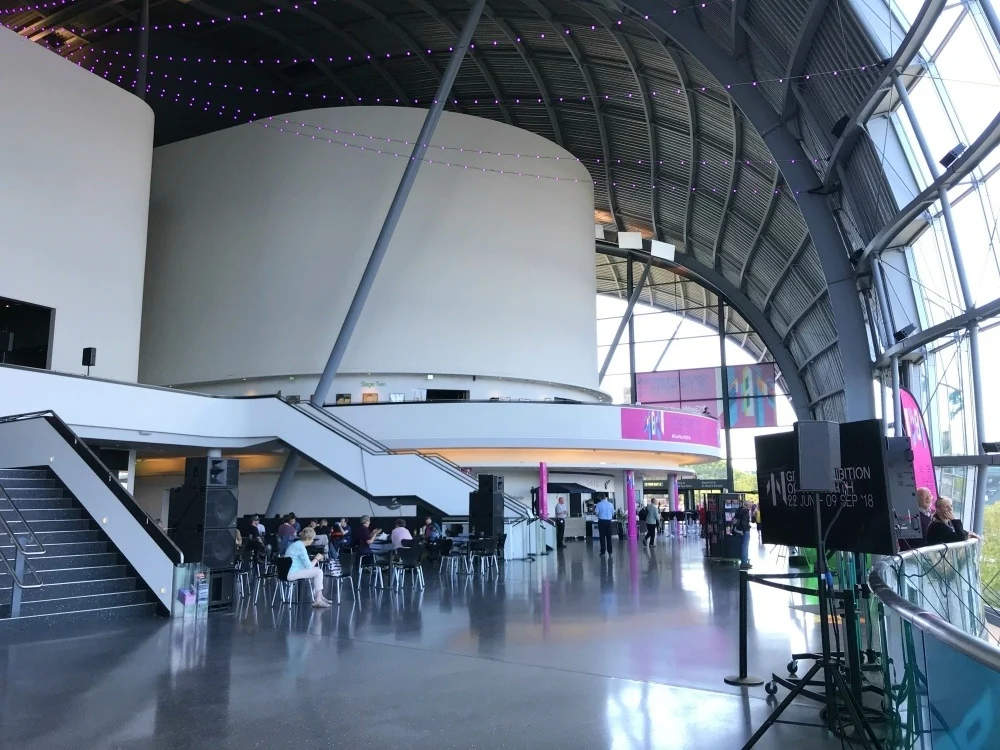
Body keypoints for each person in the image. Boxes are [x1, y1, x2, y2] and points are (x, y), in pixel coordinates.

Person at [284, 527, 332, 608]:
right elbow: (309, 566)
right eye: (312, 539)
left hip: (287, 571)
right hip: (291, 573)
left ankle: (319, 596)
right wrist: (317, 558)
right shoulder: (301, 547)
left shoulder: (296, 544)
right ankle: (318, 600)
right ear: (307, 538)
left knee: (317, 570)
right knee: (319, 572)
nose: (313, 541)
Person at [734, 498, 752, 568]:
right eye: (750, 506)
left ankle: (743, 560)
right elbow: (744, 522)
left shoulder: (739, 509)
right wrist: (746, 529)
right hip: (745, 530)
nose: (750, 508)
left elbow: (735, 519)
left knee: (742, 545)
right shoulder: (745, 511)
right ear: (747, 506)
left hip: (738, 530)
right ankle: (744, 562)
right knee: (745, 546)